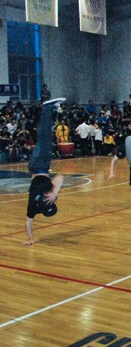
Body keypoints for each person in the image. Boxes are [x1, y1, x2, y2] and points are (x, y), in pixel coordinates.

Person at [24, 98, 66, 246]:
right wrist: (31, 238)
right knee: (45, 136)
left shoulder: (43, 198)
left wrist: (54, 192)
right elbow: (28, 222)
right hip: (39, 167)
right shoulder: (36, 207)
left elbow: (60, 177)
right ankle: (49, 109)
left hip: (39, 165)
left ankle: (47, 108)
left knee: (44, 136)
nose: (50, 200)